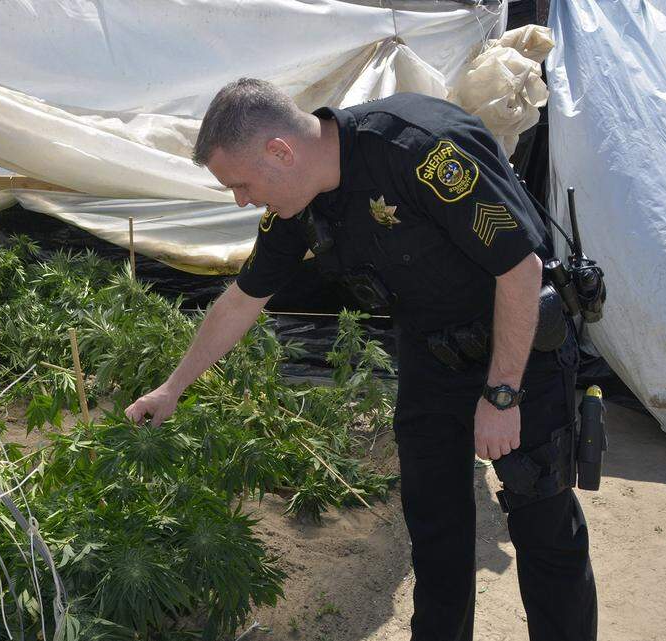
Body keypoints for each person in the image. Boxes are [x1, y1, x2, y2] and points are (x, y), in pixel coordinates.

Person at [124, 78, 597, 641]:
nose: (242, 200)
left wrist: (501, 397)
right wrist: (172, 388)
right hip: (432, 359)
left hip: (520, 355)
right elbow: (242, 300)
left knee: (544, 530)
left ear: (281, 151)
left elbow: (521, 270)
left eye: (243, 184)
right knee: (437, 537)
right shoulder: (297, 203)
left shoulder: (421, 151)